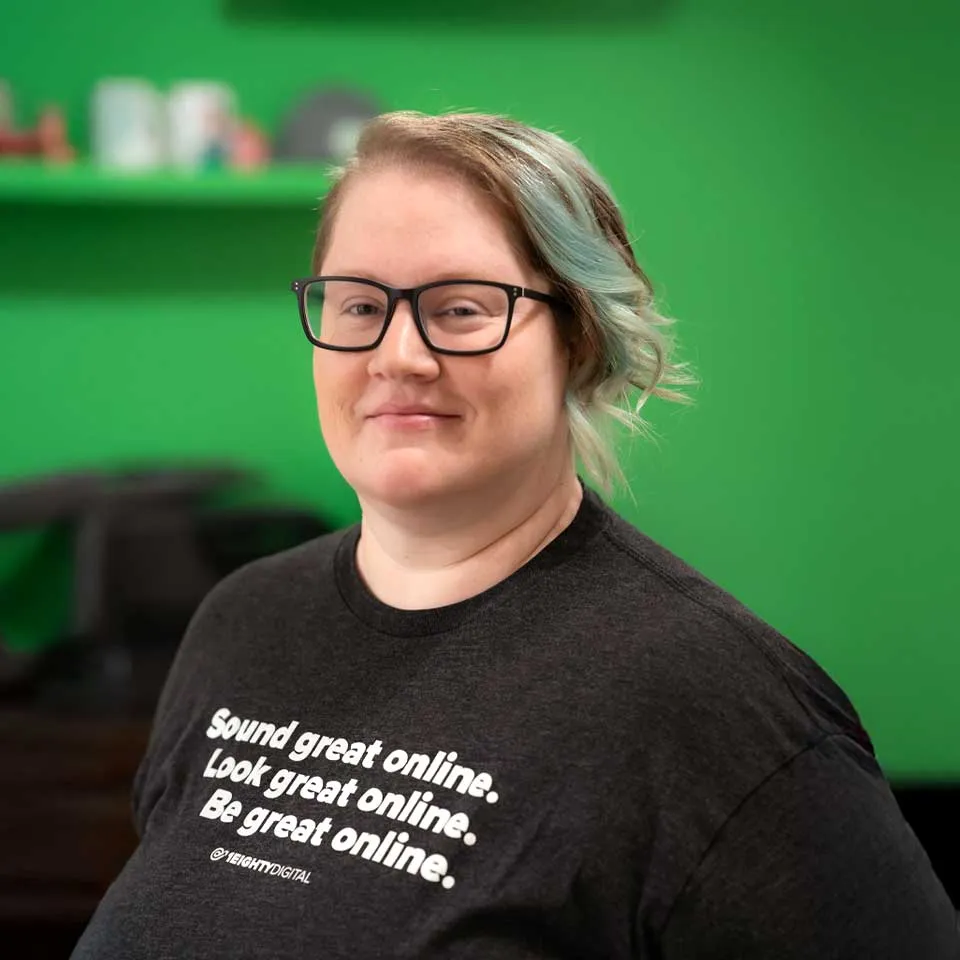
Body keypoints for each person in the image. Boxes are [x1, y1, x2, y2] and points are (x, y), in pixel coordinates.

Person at [71, 111, 958, 959]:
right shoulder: (243, 619)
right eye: (359, 306)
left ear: (580, 339)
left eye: (461, 309)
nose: (398, 356)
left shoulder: (720, 709)